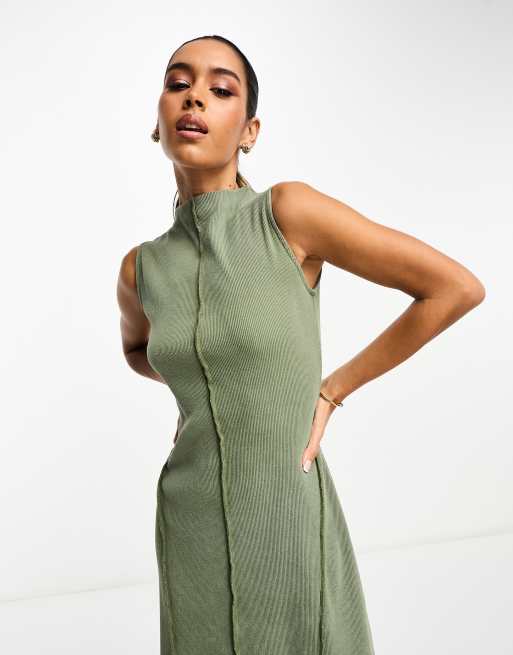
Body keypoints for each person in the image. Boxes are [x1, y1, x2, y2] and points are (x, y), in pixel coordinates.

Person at [116, 34, 485, 655]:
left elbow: (453, 288)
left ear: (249, 132)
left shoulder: (287, 214)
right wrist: (200, 390)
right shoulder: (141, 269)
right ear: (158, 122)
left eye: (220, 89)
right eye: (178, 84)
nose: (194, 97)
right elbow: (138, 352)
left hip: (285, 508)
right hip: (188, 515)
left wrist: (331, 390)